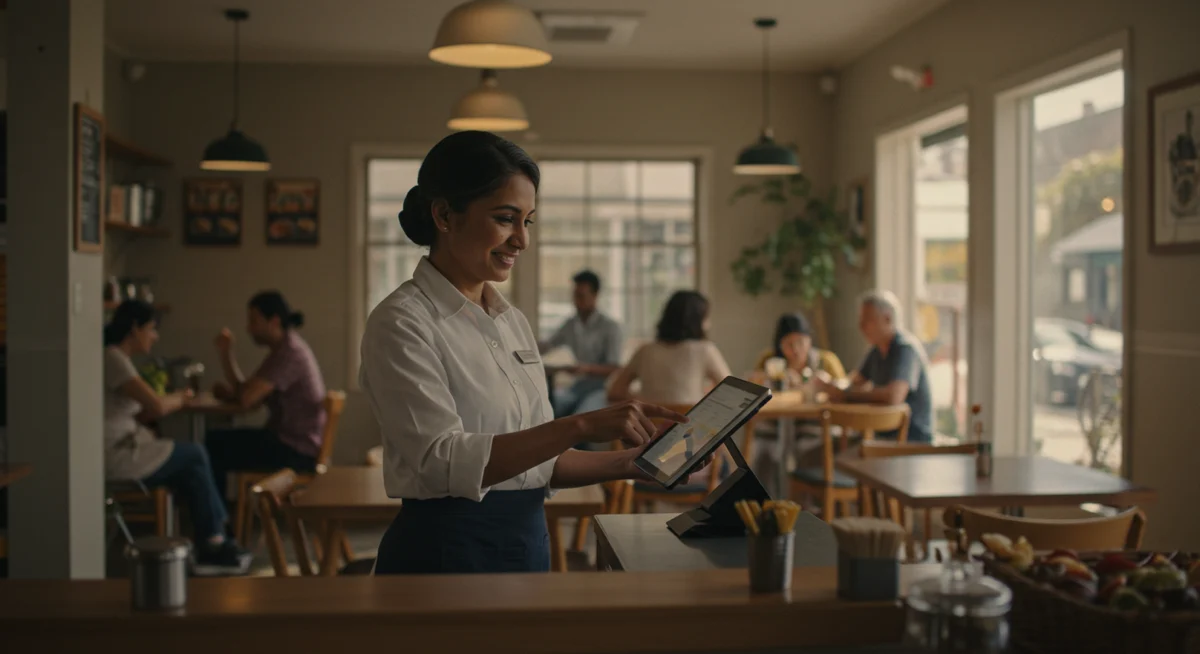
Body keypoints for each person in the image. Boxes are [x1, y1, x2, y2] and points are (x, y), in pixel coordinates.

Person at [360, 131, 693, 575]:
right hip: (447, 554)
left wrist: (635, 465)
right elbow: (441, 462)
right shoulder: (402, 323)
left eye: (528, 221)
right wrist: (581, 424)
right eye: (505, 218)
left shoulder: (510, 321)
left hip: (526, 544)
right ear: (443, 214)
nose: (522, 240)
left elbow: (538, 461)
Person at [103, 301, 250, 570]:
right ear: (134, 328)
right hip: (118, 455)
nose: (155, 336)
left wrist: (169, 402)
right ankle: (216, 539)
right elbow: (156, 406)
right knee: (195, 454)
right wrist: (182, 398)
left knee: (193, 468)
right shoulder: (113, 357)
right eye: (151, 329)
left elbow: (143, 410)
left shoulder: (120, 360)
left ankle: (214, 541)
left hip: (128, 446)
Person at [207, 291, 327, 492]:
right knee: (217, 442)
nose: (249, 328)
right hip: (293, 443)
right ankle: (220, 518)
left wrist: (237, 390)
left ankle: (217, 521)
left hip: (296, 450)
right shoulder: (283, 349)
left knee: (213, 444)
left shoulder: (288, 354)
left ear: (274, 321)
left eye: (254, 321)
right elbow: (249, 394)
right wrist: (226, 355)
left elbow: (247, 400)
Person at [814, 290, 934, 442]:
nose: (861, 326)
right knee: (827, 445)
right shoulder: (876, 350)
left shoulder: (905, 349)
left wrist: (847, 394)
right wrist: (831, 384)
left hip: (910, 440)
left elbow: (894, 397)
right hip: (882, 435)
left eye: (867, 320)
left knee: (833, 449)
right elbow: (853, 382)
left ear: (887, 319)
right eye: (861, 320)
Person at [607, 291, 732, 407]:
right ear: (698, 321)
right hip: (690, 427)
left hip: (649, 427)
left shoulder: (645, 350)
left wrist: (643, 400)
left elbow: (615, 392)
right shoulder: (705, 350)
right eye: (706, 318)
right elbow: (730, 391)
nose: (709, 324)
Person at [539, 270, 623, 417]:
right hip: (577, 387)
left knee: (582, 417)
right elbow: (547, 345)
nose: (576, 301)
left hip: (601, 389)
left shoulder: (610, 327)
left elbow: (615, 369)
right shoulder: (570, 324)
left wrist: (586, 368)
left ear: (595, 295)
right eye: (575, 295)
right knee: (546, 411)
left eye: (581, 296)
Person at [753, 312, 847, 384]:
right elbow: (753, 386)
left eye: (800, 342)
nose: (795, 349)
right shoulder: (769, 360)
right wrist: (770, 377)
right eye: (789, 344)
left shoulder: (827, 360)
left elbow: (845, 387)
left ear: (809, 341)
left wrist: (829, 383)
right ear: (779, 344)